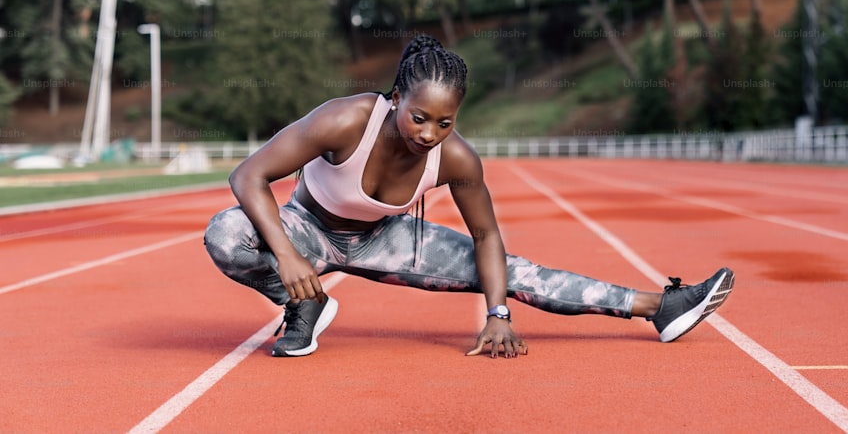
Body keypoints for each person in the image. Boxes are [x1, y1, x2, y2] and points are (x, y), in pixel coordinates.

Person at [204, 35, 734, 358]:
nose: (430, 133)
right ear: (395, 99)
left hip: (388, 240)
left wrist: (497, 313)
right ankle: (304, 305)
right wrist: (292, 256)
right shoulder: (344, 120)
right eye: (418, 117)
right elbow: (248, 175)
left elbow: (486, 235)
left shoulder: (456, 159)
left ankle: (660, 306)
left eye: (444, 122)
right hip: (310, 230)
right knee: (227, 234)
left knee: (512, 269)